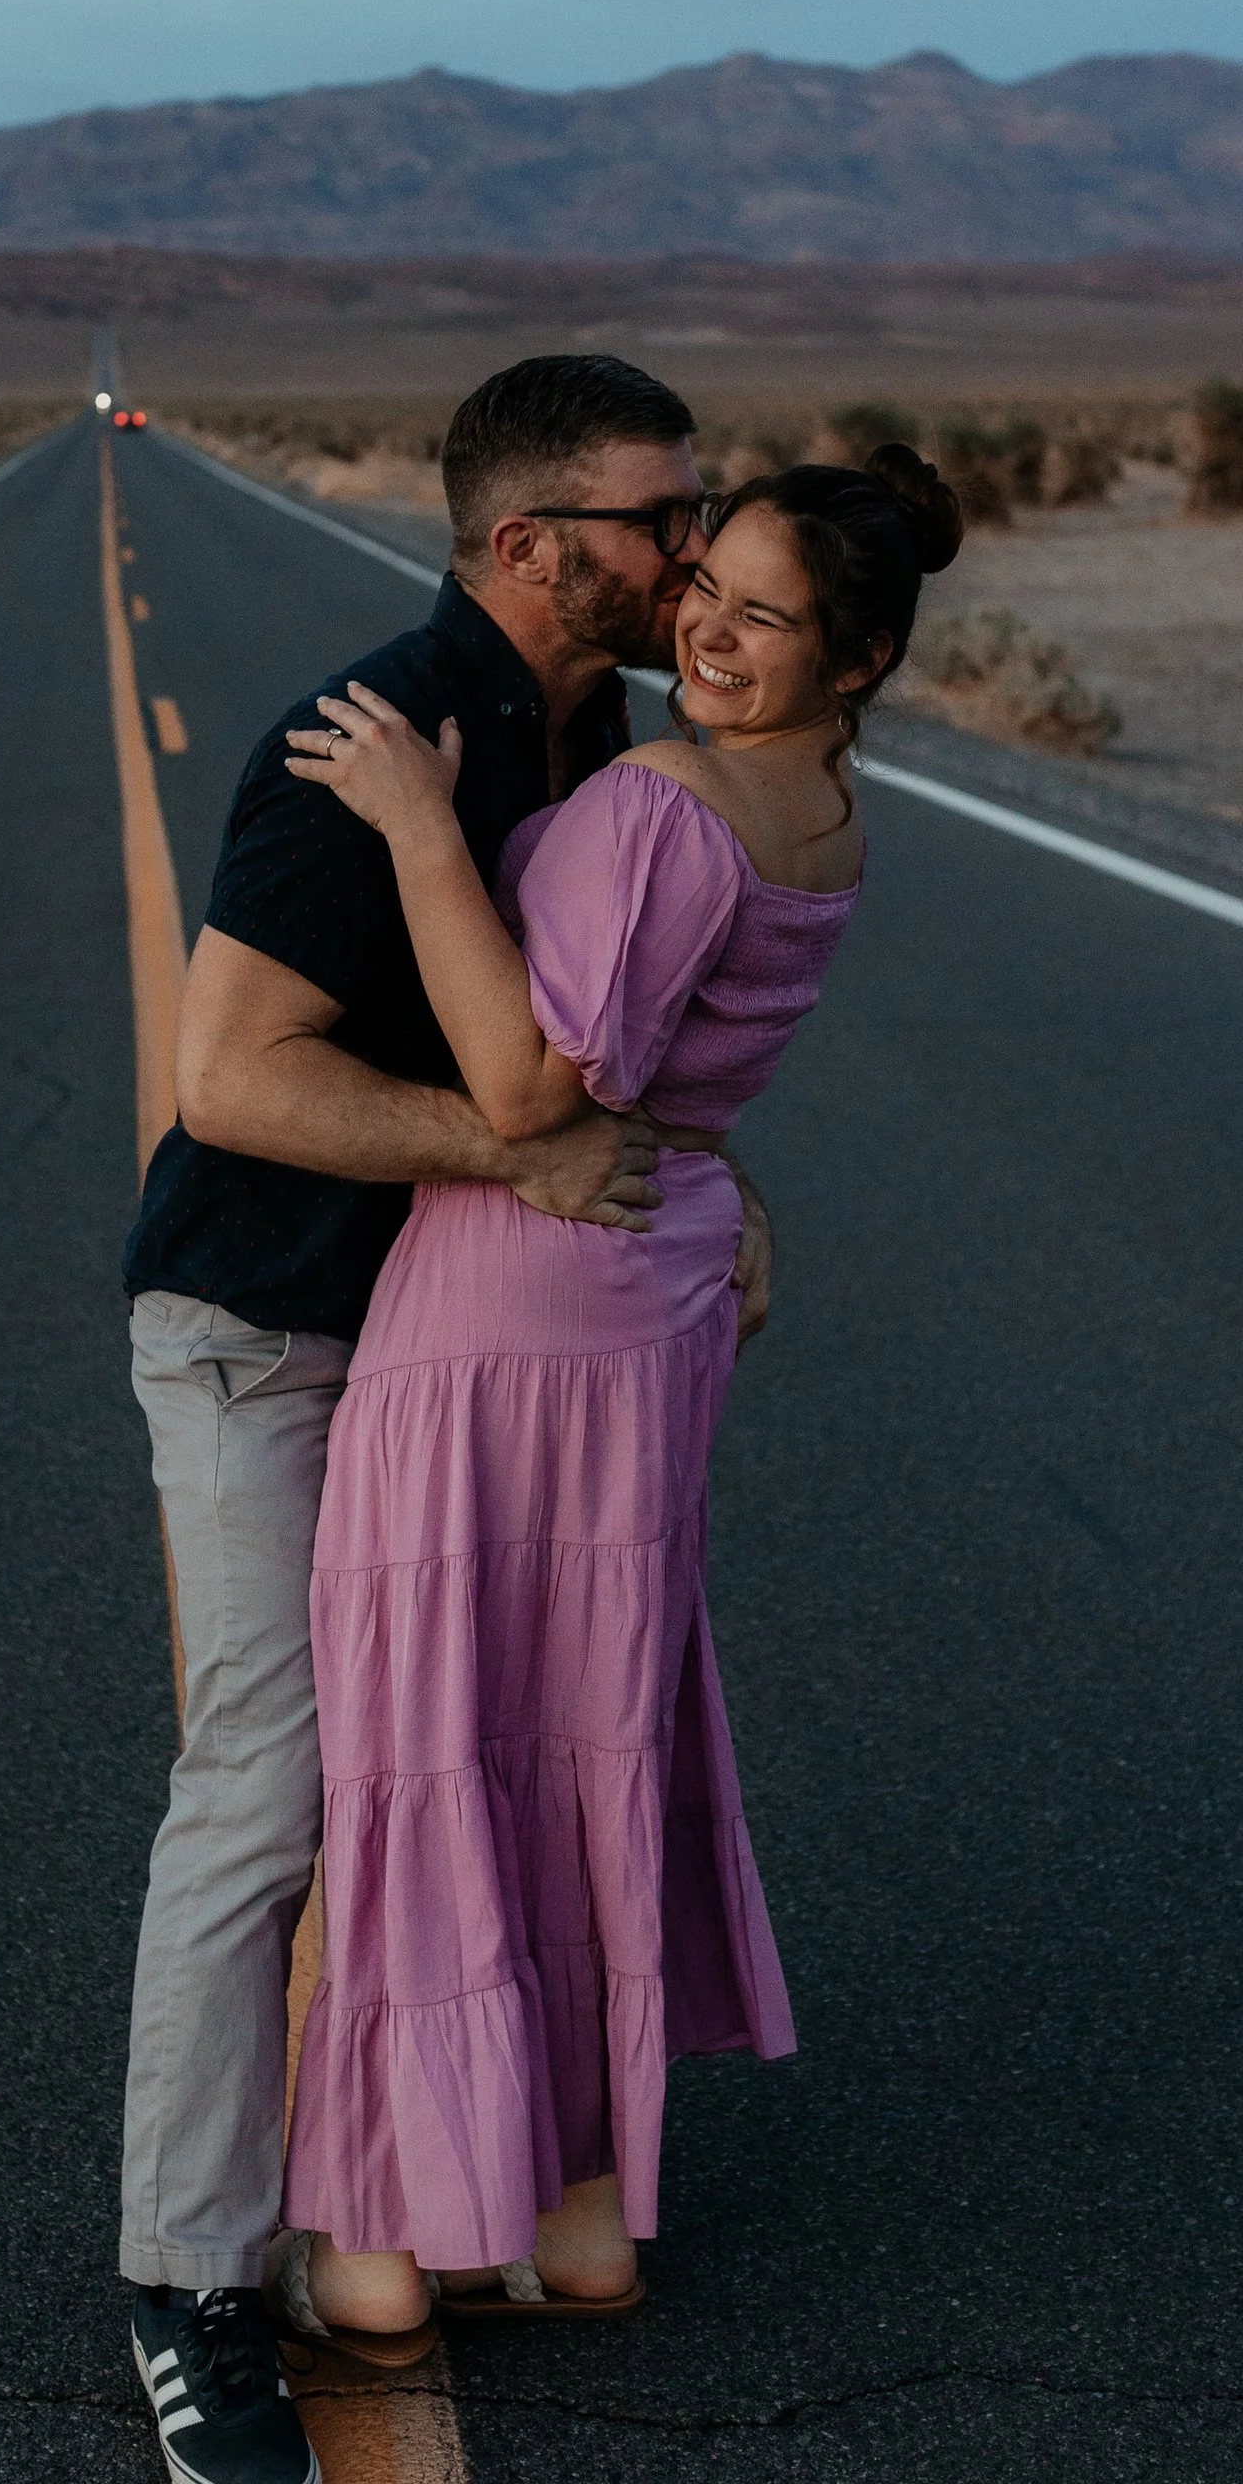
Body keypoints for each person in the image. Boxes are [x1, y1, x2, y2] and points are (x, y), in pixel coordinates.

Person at [120, 354, 776, 2484]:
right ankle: (191, 2283)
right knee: (276, 1783)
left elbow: (624, 1031)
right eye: (653, 514)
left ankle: (452, 2188)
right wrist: (515, 1164)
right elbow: (227, 1077)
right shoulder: (365, 743)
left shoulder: (603, 737)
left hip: (448, 1355)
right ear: (524, 544)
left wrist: (700, 1175)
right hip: (265, 1332)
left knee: (499, 1754)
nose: (691, 550)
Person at [270, 445, 962, 2346]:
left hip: (517, 1299)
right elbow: (683, 1074)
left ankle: (389, 2244)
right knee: (584, 1724)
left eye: (769, 615)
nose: (712, 634)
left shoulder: (664, 803)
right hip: (654, 1294)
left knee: (434, 1726)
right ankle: (580, 2218)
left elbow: (530, 1091)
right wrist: (731, 1182)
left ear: (865, 651)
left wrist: (422, 825)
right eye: (706, 588)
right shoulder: (824, 803)